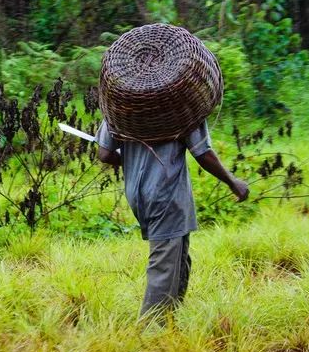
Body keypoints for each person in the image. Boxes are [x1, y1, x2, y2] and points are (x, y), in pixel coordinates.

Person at [96, 119, 249, 317]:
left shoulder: (121, 105)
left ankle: (171, 321)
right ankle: (152, 328)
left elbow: (105, 154)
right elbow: (202, 153)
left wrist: (134, 158)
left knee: (179, 257)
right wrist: (232, 181)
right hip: (166, 192)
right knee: (165, 264)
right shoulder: (182, 105)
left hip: (137, 192)